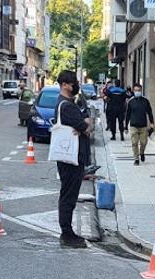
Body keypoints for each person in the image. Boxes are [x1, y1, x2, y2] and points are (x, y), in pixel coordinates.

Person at [55, 70, 93, 249]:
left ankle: (67, 231)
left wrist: (85, 125)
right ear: (64, 84)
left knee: (69, 193)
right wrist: (85, 124)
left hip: (74, 156)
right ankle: (67, 233)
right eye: (72, 83)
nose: (75, 86)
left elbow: (87, 125)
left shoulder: (69, 103)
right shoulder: (67, 106)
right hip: (72, 158)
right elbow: (86, 126)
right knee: (69, 195)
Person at [126, 83, 154, 165]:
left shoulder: (145, 101)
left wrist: (152, 123)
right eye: (136, 90)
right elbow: (127, 114)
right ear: (133, 91)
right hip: (133, 125)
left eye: (139, 90)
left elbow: (149, 112)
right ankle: (136, 159)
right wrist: (125, 127)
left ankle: (142, 152)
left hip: (143, 126)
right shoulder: (130, 101)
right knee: (134, 143)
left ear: (141, 91)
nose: (137, 92)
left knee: (143, 142)